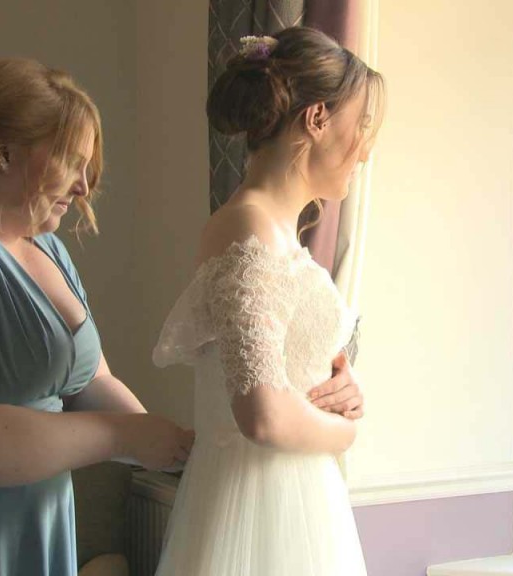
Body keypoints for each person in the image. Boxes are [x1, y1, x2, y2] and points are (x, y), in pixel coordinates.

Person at [0, 57, 361, 576]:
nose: (83, 187)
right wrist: (124, 437)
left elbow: (89, 379)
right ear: (4, 153)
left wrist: (188, 448)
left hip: (34, 527)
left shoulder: (43, 246)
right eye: (70, 162)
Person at [151, 26, 384, 575]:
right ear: (318, 119)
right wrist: (345, 432)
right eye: (360, 126)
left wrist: (341, 388)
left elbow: (285, 375)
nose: (365, 153)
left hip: (300, 500)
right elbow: (263, 415)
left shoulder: (276, 232)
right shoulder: (246, 227)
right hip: (255, 506)